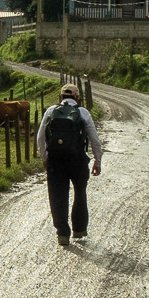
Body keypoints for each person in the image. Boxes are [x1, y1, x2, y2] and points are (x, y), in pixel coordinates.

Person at [36, 83, 103, 247]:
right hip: (78, 159)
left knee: (57, 196)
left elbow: (40, 138)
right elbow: (94, 139)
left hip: (55, 160)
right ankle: (79, 229)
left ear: (61, 97)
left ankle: (62, 234)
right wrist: (97, 160)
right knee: (80, 193)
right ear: (77, 98)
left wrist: (45, 157)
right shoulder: (83, 113)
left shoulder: (51, 111)